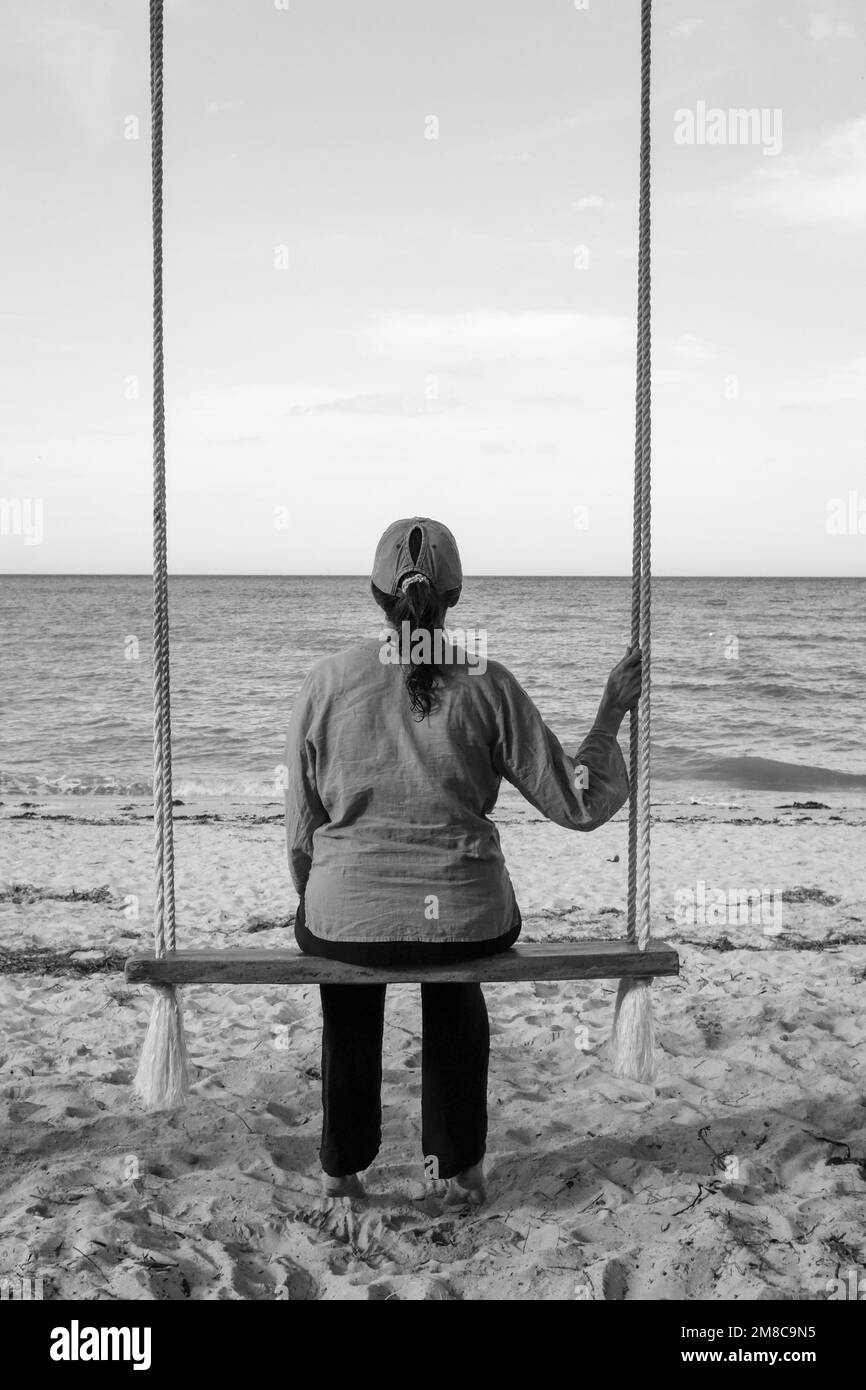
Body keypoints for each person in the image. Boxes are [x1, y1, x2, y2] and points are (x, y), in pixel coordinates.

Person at [285, 517, 640, 1203]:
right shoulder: (487, 682)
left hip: (345, 913)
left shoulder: (326, 683)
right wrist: (609, 715)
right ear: (454, 596)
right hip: (465, 911)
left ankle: (341, 1171)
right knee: (455, 984)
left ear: (374, 595)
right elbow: (577, 803)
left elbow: (302, 825)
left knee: (349, 992)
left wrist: (317, 897)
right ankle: (459, 1170)